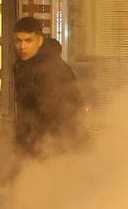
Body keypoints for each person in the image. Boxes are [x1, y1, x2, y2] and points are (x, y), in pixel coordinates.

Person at [13, 15, 83, 156]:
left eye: (28, 40)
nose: (22, 46)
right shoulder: (24, 66)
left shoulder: (52, 70)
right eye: (18, 41)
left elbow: (56, 116)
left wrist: (41, 150)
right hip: (36, 144)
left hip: (56, 147)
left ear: (40, 40)